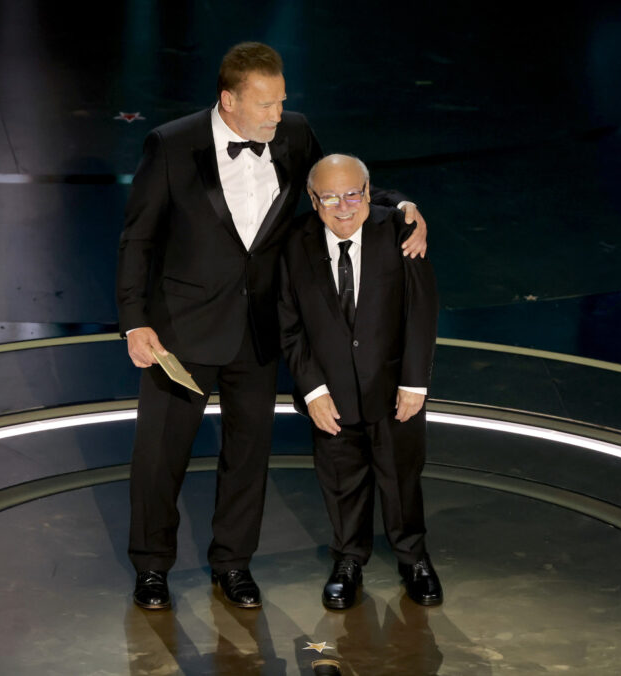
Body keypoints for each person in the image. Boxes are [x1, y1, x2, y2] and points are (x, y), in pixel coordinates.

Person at [116, 42, 428, 611]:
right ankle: (152, 567)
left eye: (282, 102)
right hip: (181, 331)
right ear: (228, 101)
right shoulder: (170, 145)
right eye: (265, 106)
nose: (276, 116)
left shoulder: (294, 134)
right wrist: (134, 320)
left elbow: (335, 191)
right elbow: (138, 239)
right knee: (161, 455)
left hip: (260, 328)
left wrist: (401, 203)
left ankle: (233, 563)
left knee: (248, 453)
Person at [278, 154, 441, 610]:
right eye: (329, 197)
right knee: (340, 480)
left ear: (369, 193)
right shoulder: (294, 243)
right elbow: (287, 323)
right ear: (313, 200)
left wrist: (414, 383)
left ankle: (414, 558)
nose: (343, 206)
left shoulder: (400, 231)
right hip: (330, 394)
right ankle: (349, 559)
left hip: (395, 391)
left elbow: (421, 311)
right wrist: (312, 389)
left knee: (401, 478)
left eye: (354, 194)